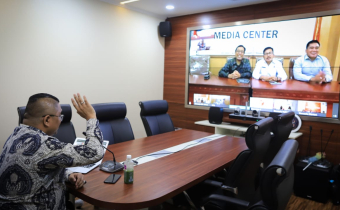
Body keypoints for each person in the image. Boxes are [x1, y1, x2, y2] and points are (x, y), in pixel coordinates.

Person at [0, 93, 104, 210]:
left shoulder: (15, 134)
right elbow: (94, 151)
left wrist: (67, 174)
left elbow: (36, 169)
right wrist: (91, 117)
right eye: (60, 116)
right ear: (47, 120)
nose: (61, 120)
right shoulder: (43, 144)